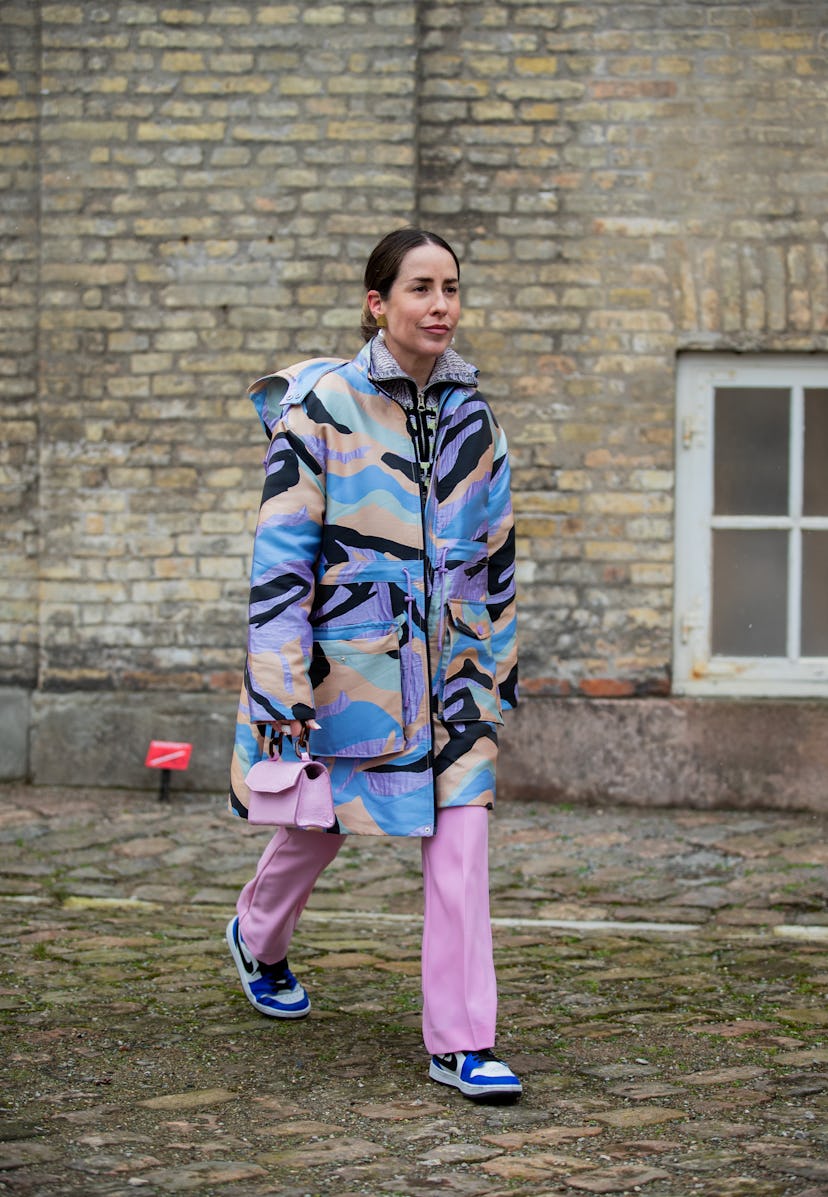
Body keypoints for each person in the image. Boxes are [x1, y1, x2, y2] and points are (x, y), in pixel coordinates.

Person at [225, 227, 521, 1103]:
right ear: (378, 303)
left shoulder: (476, 416)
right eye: (422, 289)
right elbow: (281, 562)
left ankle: (463, 1043)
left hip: (454, 674)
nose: (441, 306)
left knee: (462, 842)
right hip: (349, 670)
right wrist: (279, 690)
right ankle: (257, 935)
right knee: (317, 826)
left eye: (452, 289)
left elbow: (497, 550)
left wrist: (494, 668)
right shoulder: (322, 412)